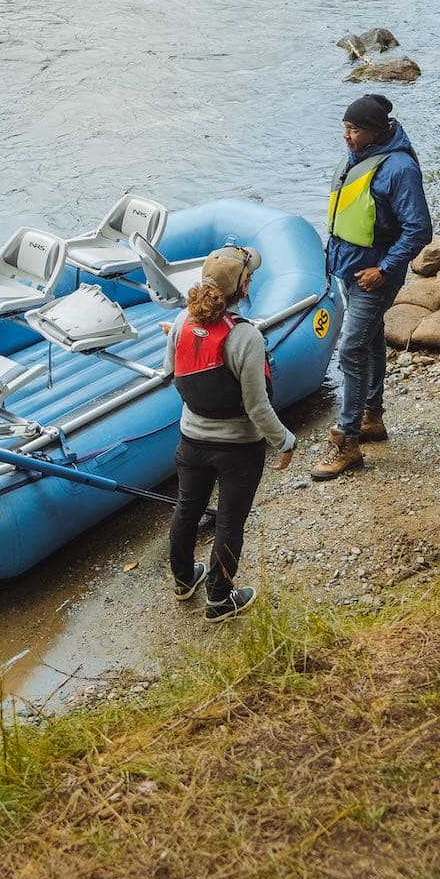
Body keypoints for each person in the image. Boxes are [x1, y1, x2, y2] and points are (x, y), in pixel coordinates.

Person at [165, 246, 296, 620]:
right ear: (244, 286)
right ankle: (219, 599)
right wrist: (285, 441)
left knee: (187, 509)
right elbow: (257, 406)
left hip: (191, 442)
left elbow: (171, 373)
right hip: (238, 449)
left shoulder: (181, 321)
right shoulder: (246, 337)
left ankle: (183, 580)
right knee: (229, 521)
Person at [313, 92, 433, 480]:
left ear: (375, 131)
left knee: (350, 348)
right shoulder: (360, 156)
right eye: (345, 128)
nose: (346, 136)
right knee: (370, 339)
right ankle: (372, 416)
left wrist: (384, 268)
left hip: (373, 277)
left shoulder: (399, 169)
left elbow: (419, 229)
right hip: (350, 269)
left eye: (354, 129)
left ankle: (347, 441)